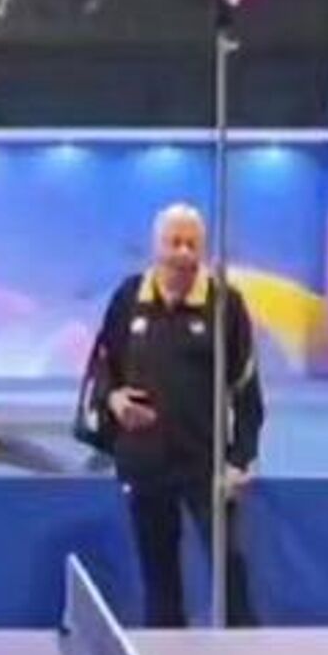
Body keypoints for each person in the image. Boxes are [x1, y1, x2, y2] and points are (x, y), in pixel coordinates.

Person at [77, 204, 263, 628]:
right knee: (158, 577)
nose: (182, 253)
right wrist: (114, 400)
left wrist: (240, 459)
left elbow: (247, 391)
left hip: (207, 465)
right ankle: (163, 653)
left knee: (230, 570)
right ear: (155, 247)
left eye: (191, 244)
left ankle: (248, 652)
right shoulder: (129, 298)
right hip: (145, 463)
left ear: (203, 249)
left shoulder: (225, 303)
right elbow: (103, 368)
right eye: (173, 242)